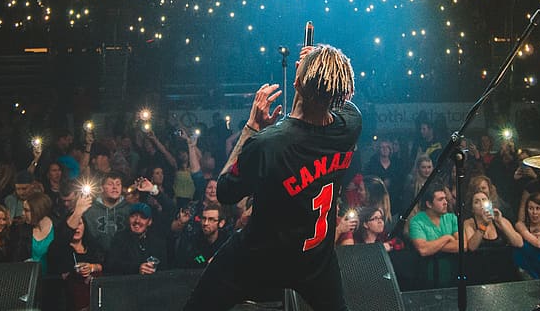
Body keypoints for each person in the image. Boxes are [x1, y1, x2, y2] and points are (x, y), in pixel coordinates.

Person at [184, 43, 362, 311]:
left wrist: (252, 127)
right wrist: (316, 67)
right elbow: (333, 99)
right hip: (315, 259)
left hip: (259, 258)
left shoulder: (268, 143)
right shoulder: (351, 124)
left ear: (297, 83)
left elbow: (224, 191)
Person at [462, 191, 523, 284]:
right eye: (477, 202)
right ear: (472, 209)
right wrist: (483, 225)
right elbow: (472, 247)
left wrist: (501, 222)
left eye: (484, 200)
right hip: (480, 274)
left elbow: (519, 243)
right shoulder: (469, 223)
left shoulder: (500, 220)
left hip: (504, 273)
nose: (481, 203)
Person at [408, 186, 458, 288]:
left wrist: (433, 246)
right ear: (429, 204)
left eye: (445, 198)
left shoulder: (452, 218)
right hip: (426, 277)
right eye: (440, 199)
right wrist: (447, 238)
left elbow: (463, 245)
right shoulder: (416, 221)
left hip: (452, 276)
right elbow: (423, 249)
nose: (445, 202)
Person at [105, 203, 167, 275]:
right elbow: (111, 265)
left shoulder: (157, 241)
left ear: (149, 222)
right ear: (128, 219)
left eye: (142, 217)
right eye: (133, 216)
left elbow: (164, 269)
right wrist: (137, 268)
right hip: (127, 283)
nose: (137, 220)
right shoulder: (119, 238)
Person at [82, 172, 129, 256]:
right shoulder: (90, 211)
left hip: (124, 258)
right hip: (96, 258)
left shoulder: (129, 209)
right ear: (102, 188)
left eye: (118, 184)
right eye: (110, 184)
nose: (115, 187)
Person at [174, 203, 228, 268]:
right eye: (204, 218)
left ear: (221, 223)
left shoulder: (227, 243)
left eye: (211, 219)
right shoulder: (192, 241)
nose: (205, 223)